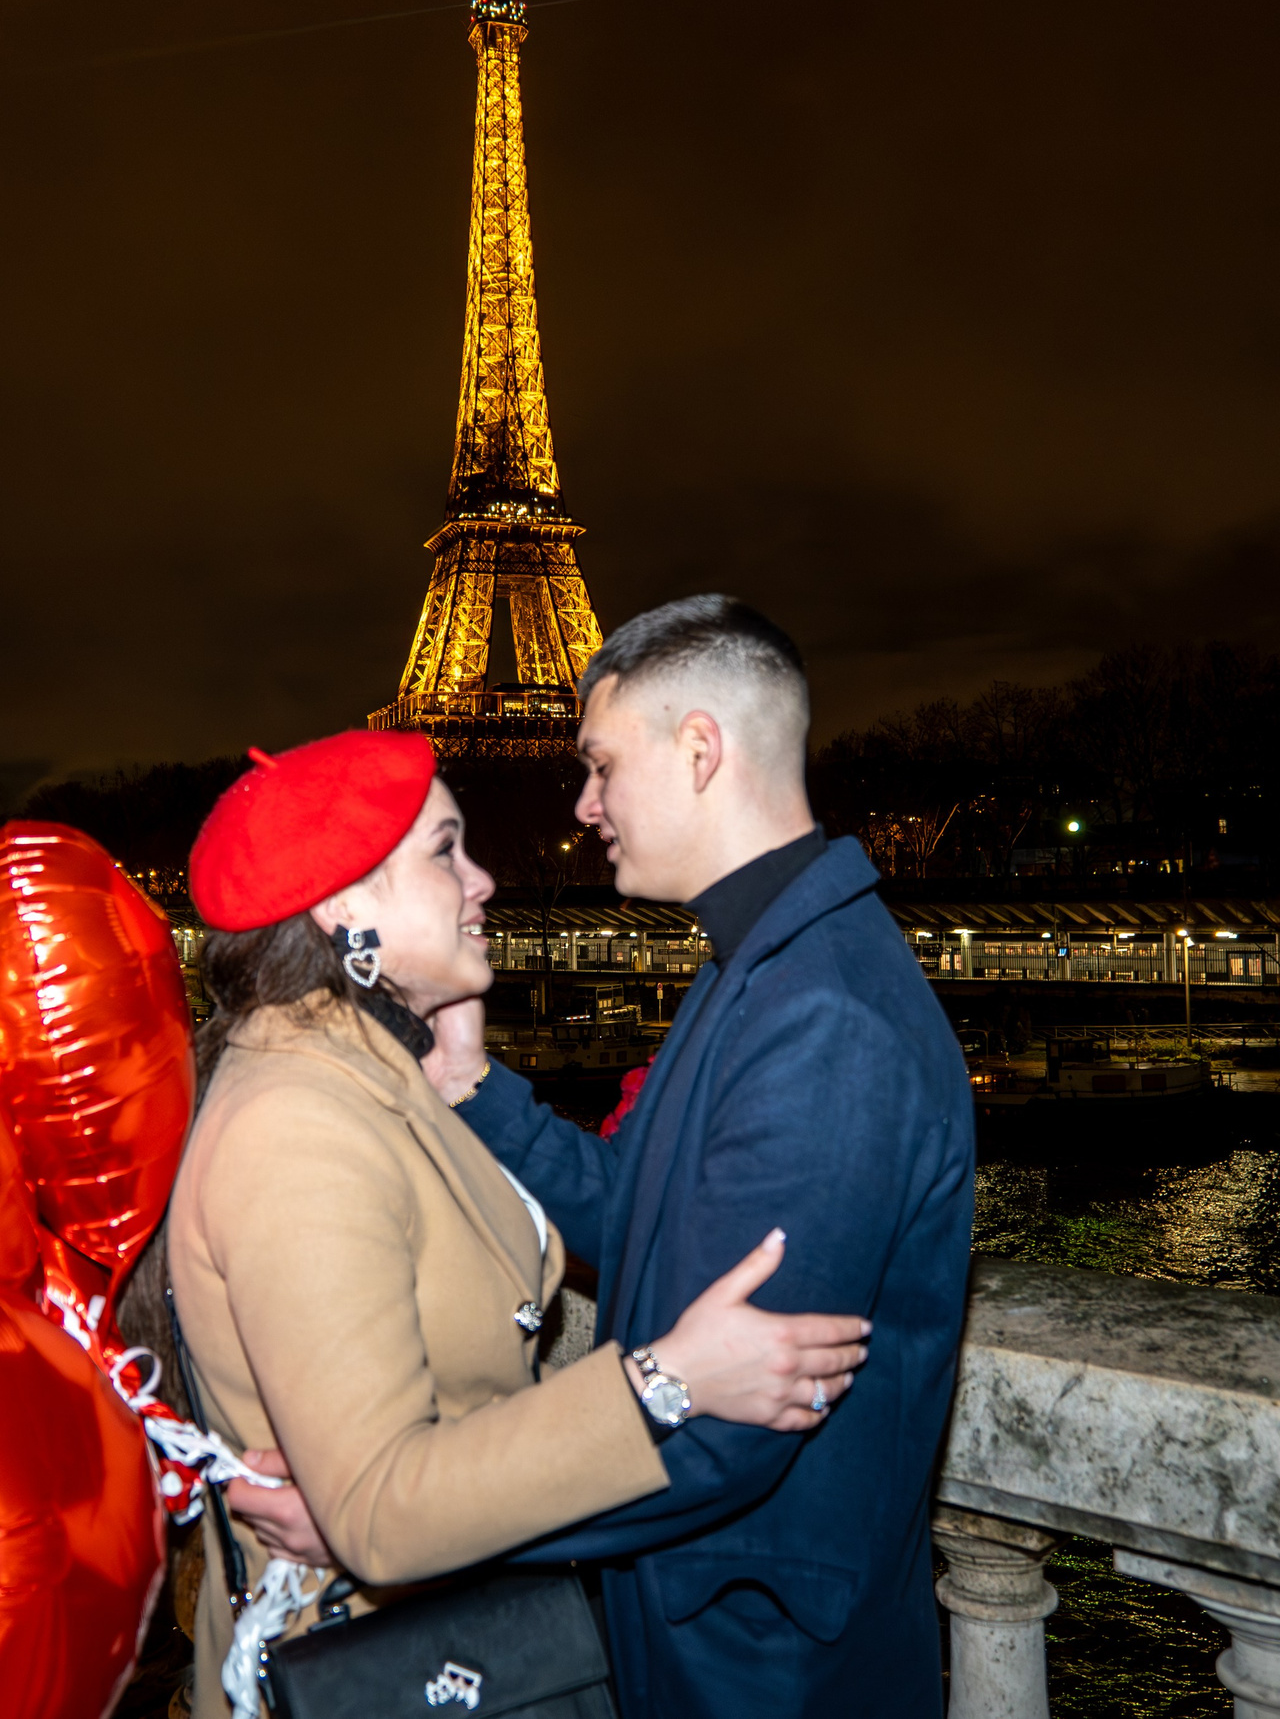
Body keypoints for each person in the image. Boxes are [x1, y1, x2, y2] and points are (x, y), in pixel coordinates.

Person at [164, 728, 870, 1719]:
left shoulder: (355, 1078)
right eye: (444, 851)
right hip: (385, 1672)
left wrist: (455, 1067)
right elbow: (381, 1511)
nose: (483, 880)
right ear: (344, 906)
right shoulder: (299, 1124)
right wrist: (665, 1380)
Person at [436, 595, 976, 1717]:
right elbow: (637, 1216)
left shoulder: (821, 1013)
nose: (583, 804)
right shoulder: (767, 964)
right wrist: (474, 1087)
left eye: (600, 765)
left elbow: (730, 1424)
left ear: (698, 750)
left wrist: (424, 1516)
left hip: (759, 1666)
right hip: (736, 1629)